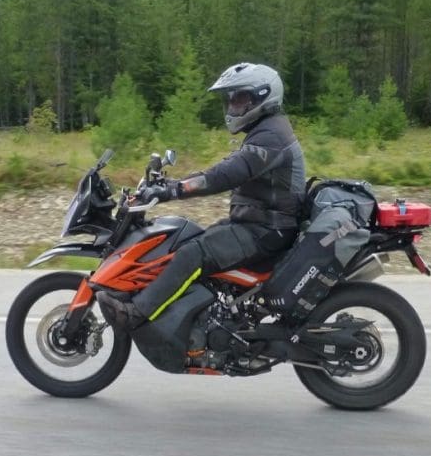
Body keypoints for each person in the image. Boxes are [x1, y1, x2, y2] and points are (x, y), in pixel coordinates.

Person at [96, 61, 306, 332]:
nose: (233, 106)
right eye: (230, 100)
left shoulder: (270, 137)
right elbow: (224, 169)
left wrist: (174, 190)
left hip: (266, 231)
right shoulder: (267, 131)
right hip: (259, 225)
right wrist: (173, 182)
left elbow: (225, 175)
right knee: (188, 238)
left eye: (240, 99)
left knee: (191, 253)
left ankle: (136, 313)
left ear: (262, 97)